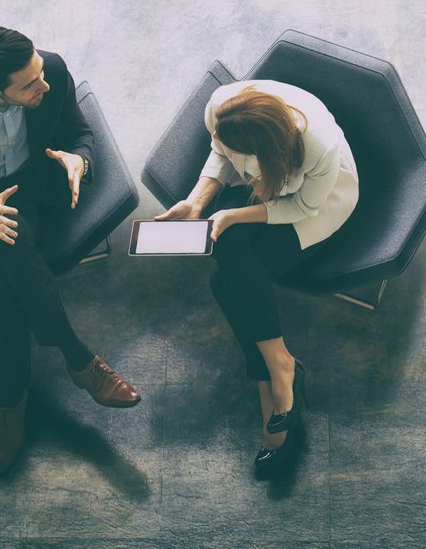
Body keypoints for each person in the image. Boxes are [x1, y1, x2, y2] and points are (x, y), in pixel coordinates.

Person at [0, 26, 140, 475]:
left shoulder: (50, 69)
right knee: (8, 240)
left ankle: (11, 400)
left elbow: (80, 133)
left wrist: (81, 160)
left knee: (7, 273)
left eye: (39, 73)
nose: (45, 85)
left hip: (27, 187)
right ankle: (79, 361)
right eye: (30, 84)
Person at [154, 79, 359, 478]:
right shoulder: (221, 106)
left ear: (262, 151)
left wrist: (232, 214)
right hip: (263, 190)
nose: (216, 139)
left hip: (316, 207)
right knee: (229, 268)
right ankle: (279, 366)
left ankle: (274, 374)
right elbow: (219, 149)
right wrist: (198, 201)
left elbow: (301, 205)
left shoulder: (320, 147)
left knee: (226, 276)